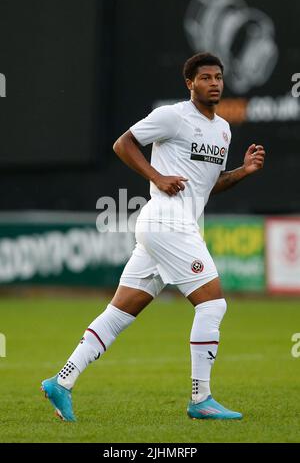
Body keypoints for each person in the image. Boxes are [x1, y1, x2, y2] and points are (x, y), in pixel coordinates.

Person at [41, 52, 265, 421]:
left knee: (119, 313)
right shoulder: (172, 116)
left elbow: (207, 187)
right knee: (213, 305)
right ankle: (201, 399)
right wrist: (157, 177)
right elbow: (123, 143)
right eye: (205, 77)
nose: (214, 83)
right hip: (166, 220)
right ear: (189, 83)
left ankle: (61, 382)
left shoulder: (222, 130)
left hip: (171, 227)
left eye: (219, 77)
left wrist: (243, 171)